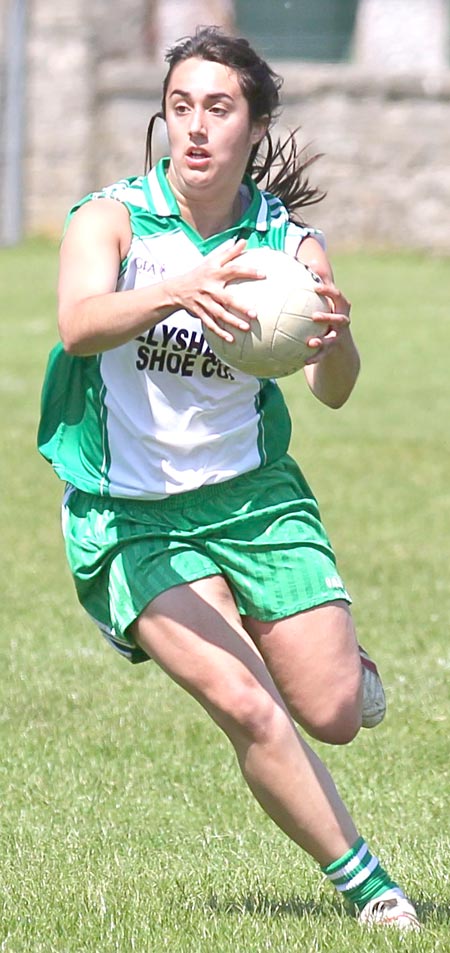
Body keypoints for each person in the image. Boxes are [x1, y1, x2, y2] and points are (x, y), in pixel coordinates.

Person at [38, 26, 419, 930]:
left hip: (253, 501)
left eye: (219, 108)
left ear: (255, 126)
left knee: (327, 710)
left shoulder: (290, 248)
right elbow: (80, 323)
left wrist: (336, 340)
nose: (196, 127)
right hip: (131, 515)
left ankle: (335, 662)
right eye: (180, 108)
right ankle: (375, 893)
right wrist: (176, 289)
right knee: (248, 703)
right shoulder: (114, 218)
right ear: (164, 121)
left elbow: (333, 391)